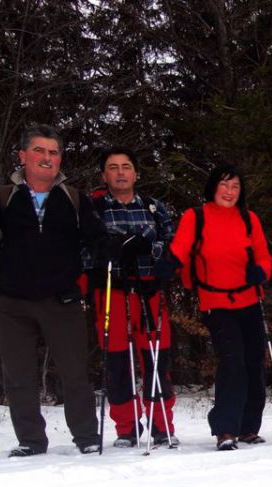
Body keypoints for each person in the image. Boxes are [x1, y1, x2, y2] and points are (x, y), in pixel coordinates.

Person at [0, 124, 105, 456]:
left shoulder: (74, 199)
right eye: (39, 151)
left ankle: (86, 436)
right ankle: (31, 440)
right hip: (13, 300)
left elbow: (96, 239)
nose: (47, 158)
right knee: (19, 374)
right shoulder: (3, 197)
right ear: (23, 156)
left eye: (53, 152)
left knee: (75, 373)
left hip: (61, 298)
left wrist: (112, 248)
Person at [155, 164, 272, 451]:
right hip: (215, 301)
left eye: (235, 186)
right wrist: (169, 263)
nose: (230, 192)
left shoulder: (249, 219)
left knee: (254, 361)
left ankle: (247, 427)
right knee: (233, 360)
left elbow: (264, 258)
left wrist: (261, 272)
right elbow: (181, 247)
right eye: (224, 185)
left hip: (249, 299)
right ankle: (225, 429)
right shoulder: (196, 217)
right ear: (213, 187)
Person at [93, 147, 177, 448]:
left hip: (150, 289)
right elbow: (86, 247)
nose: (120, 172)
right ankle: (126, 427)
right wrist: (113, 249)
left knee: (157, 357)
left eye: (126, 166)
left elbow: (172, 243)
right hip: (113, 291)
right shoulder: (96, 208)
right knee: (117, 360)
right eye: (113, 167)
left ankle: (161, 424)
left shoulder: (154, 207)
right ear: (105, 175)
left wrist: (153, 252)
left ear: (135, 173)